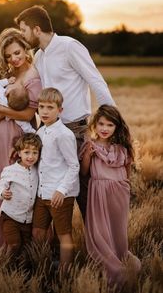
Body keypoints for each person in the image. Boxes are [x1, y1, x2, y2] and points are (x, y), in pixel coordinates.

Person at [14, 5, 115, 218]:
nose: (22, 36)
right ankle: (51, 248)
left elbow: (95, 80)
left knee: (86, 195)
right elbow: (23, 85)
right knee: (47, 189)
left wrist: (113, 121)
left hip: (75, 131)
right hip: (47, 131)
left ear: (37, 29)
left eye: (24, 30)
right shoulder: (39, 57)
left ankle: (105, 248)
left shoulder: (70, 47)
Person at [0, 28, 42, 249]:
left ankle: (16, 248)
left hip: (15, 140)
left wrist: (0, 109)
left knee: (17, 191)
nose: (13, 59)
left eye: (17, 53)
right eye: (9, 56)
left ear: (26, 50)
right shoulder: (6, 76)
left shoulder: (33, 77)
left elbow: (29, 115)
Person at [79, 105, 141, 286]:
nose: (105, 129)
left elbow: (127, 167)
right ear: (95, 125)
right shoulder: (90, 145)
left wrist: (125, 185)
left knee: (117, 229)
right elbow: (84, 172)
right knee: (100, 230)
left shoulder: (121, 146)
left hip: (119, 191)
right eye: (101, 124)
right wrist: (88, 157)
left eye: (110, 125)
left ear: (117, 127)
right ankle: (110, 266)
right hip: (98, 190)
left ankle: (121, 257)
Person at [33, 87, 80, 272]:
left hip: (60, 194)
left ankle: (65, 272)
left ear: (60, 110)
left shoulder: (64, 134)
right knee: (38, 233)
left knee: (63, 234)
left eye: (50, 107)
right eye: (41, 106)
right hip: (42, 193)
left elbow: (74, 165)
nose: (44, 111)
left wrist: (62, 190)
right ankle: (41, 267)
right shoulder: (40, 132)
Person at [0, 133, 42, 256]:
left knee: (25, 248)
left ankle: (20, 271)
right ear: (19, 153)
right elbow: (0, 185)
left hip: (27, 219)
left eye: (35, 153)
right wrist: (2, 192)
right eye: (27, 152)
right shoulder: (10, 170)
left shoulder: (37, 170)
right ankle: (5, 268)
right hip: (10, 216)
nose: (31, 157)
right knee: (14, 244)